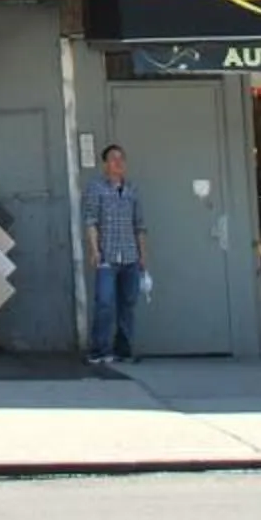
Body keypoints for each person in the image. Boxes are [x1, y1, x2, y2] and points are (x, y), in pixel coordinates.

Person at [82, 142, 148, 366]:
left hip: (130, 256)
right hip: (107, 256)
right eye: (113, 159)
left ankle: (124, 350)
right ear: (105, 165)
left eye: (121, 158)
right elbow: (91, 220)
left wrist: (142, 255)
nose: (118, 163)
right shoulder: (96, 188)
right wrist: (94, 250)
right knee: (105, 303)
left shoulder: (132, 190)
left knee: (128, 303)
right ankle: (99, 350)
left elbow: (139, 225)